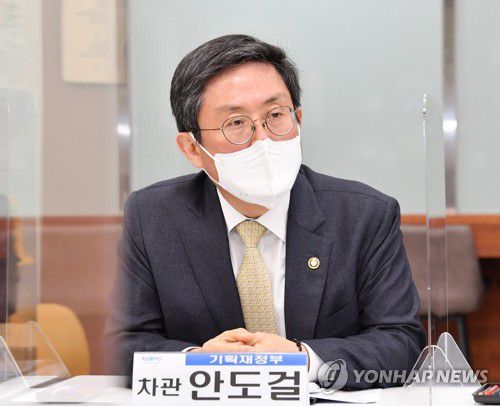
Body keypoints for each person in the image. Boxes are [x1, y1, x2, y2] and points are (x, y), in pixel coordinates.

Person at [105, 34, 425, 388]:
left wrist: (302, 360)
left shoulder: (363, 215)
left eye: (275, 115)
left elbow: (401, 343)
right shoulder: (153, 217)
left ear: (297, 120)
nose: (263, 139)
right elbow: (125, 345)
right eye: (236, 123)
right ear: (192, 148)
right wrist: (198, 361)